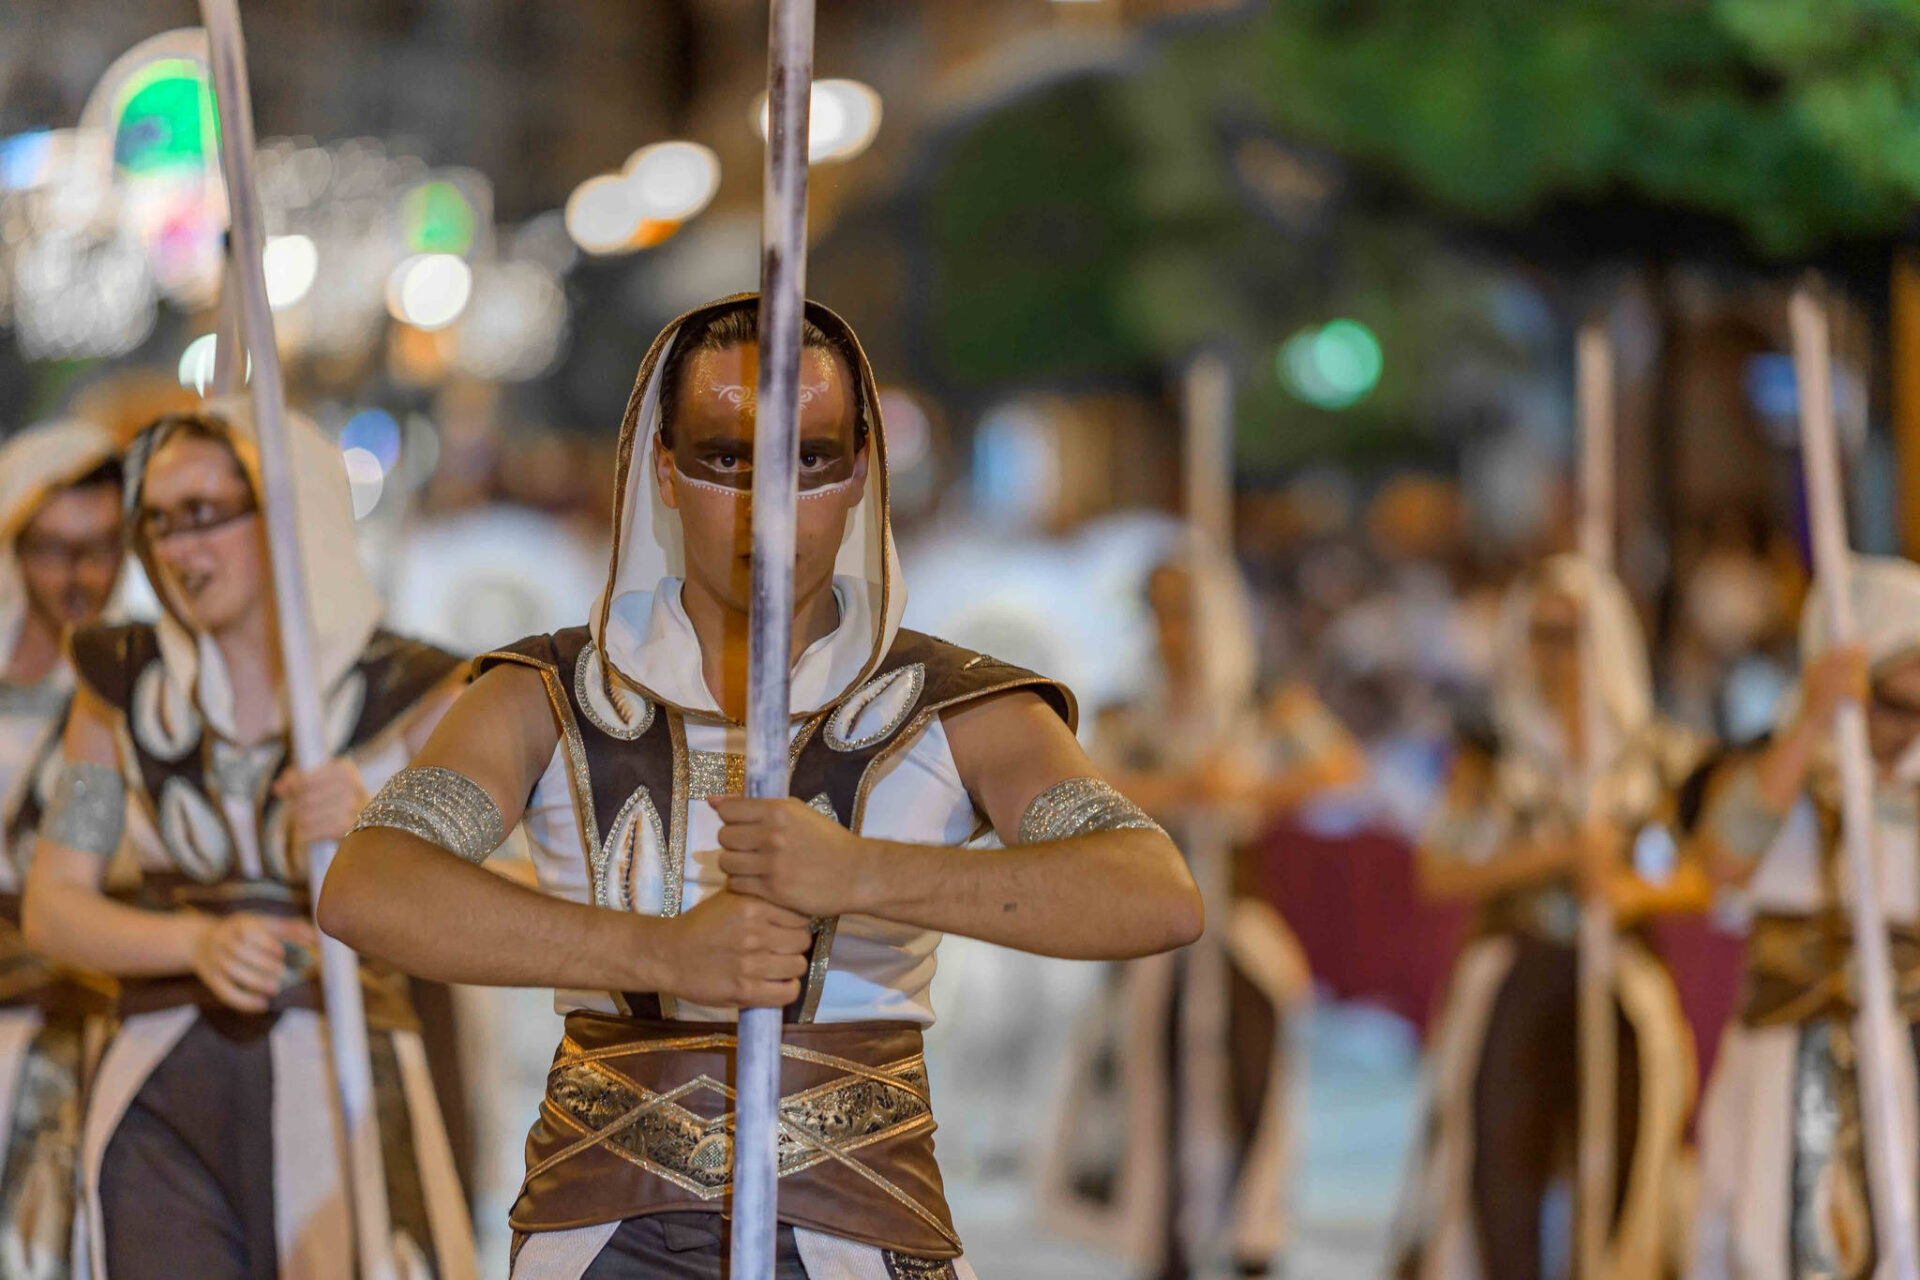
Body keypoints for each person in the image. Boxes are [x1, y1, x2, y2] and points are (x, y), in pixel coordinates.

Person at [317, 295, 1205, 1280]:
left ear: (861, 468)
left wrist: (861, 872)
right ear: (663, 466)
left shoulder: (953, 703)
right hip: (601, 1230)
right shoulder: (545, 695)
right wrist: (662, 951)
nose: (767, 506)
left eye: (809, 460)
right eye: (725, 458)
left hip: (863, 1225)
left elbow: (1152, 891)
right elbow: (369, 884)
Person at [23, 405, 478, 1280]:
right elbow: (55, 904)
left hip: (348, 1088)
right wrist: (195, 943)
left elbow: (492, 912)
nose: (179, 550)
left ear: (290, 510)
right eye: (159, 521)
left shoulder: (416, 696)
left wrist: (377, 836)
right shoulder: (119, 691)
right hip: (160, 1092)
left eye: (205, 515)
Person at [1042, 550, 1363, 1279]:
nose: (1172, 631)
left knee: (1257, 1058)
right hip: (1158, 919)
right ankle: (1162, 1237)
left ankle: (1253, 1228)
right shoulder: (1131, 712)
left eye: (1184, 613)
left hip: (1238, 913)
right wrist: (1182, 788)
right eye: (1160, 613)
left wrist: (1248, 791)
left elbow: (1338, 764)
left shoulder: (1258, 701)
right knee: (1154, 1076)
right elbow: (1086, 787)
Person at [1393, 552, 1710, 1280]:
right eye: (1542, 633)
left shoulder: (1654, 755)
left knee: (1627, 1162)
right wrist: (1556, 855)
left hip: (1620, 969)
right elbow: (1439, 868)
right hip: (1516, 961)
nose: (1558, 654)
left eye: (1573, 634)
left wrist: (1628, 888)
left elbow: (1694, 869)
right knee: (1500, 1162)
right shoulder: (1491, 752)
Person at [1687, 554, 1920, 1280]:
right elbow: (1721, 861)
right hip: (1800, 1052)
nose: (1904, 727)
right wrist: (1815, 719)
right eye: (1891, 701)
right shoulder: (1778, 772)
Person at [0, 419, 124, 1280]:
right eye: (54, 549)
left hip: (99, 1019)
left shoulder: (143, 686)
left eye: (102, 547)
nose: (81, 575)